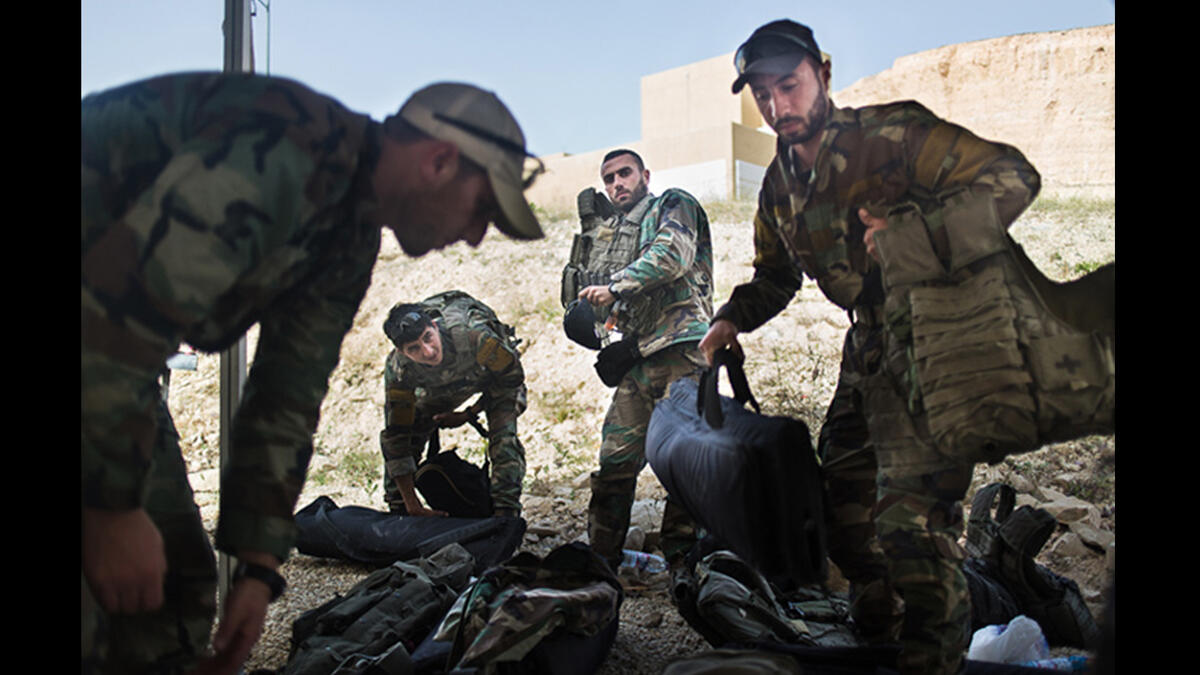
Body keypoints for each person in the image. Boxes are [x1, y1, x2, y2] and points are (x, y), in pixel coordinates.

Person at [81, 72, 544, 675]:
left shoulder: (350, 238)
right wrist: (111, 509)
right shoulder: (285, 149)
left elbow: (286, 398)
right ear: (439, 160)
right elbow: (117, 311)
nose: (478, 235)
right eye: (483, 208)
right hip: (102, 338)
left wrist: (257, 563)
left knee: (174, 590)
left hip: (112, 358)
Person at [698, 20, 1042, 675]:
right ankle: (880, 634)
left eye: (789, 86)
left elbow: (1013, 179)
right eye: (762, 95)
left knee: (912, 529)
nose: (776, 106)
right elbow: (776, 276)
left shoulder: (892, 135)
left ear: (823, 75)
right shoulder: (779, 185)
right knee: (841, 510)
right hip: (869, 354)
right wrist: (730, 320)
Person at [575, 148, 714, 574]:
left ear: (644, 175)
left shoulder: (673, 203)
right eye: (610, 179)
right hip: (639, 358)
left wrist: (615, 287)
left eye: (625, 174)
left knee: (685, 461)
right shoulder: (618, 234)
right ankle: (602, 559)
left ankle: (683, 563)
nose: (618, 184)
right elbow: (615, 306)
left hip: (681, 353)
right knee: (615, 461)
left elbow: (672, 257)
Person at [379, 291, 526, 518]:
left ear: (436, 327)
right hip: (437, 389)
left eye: (428, 337)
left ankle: (506, 514)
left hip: (491, 379)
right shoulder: (400, 370)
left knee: (503, 438)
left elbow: (511, 379)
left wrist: (469, 414)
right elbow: (396, 436)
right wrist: (411, 505)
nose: (427, 351)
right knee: (406, 435)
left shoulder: (475, 336)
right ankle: (401, 513)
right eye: (414, 349)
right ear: (402, 352)